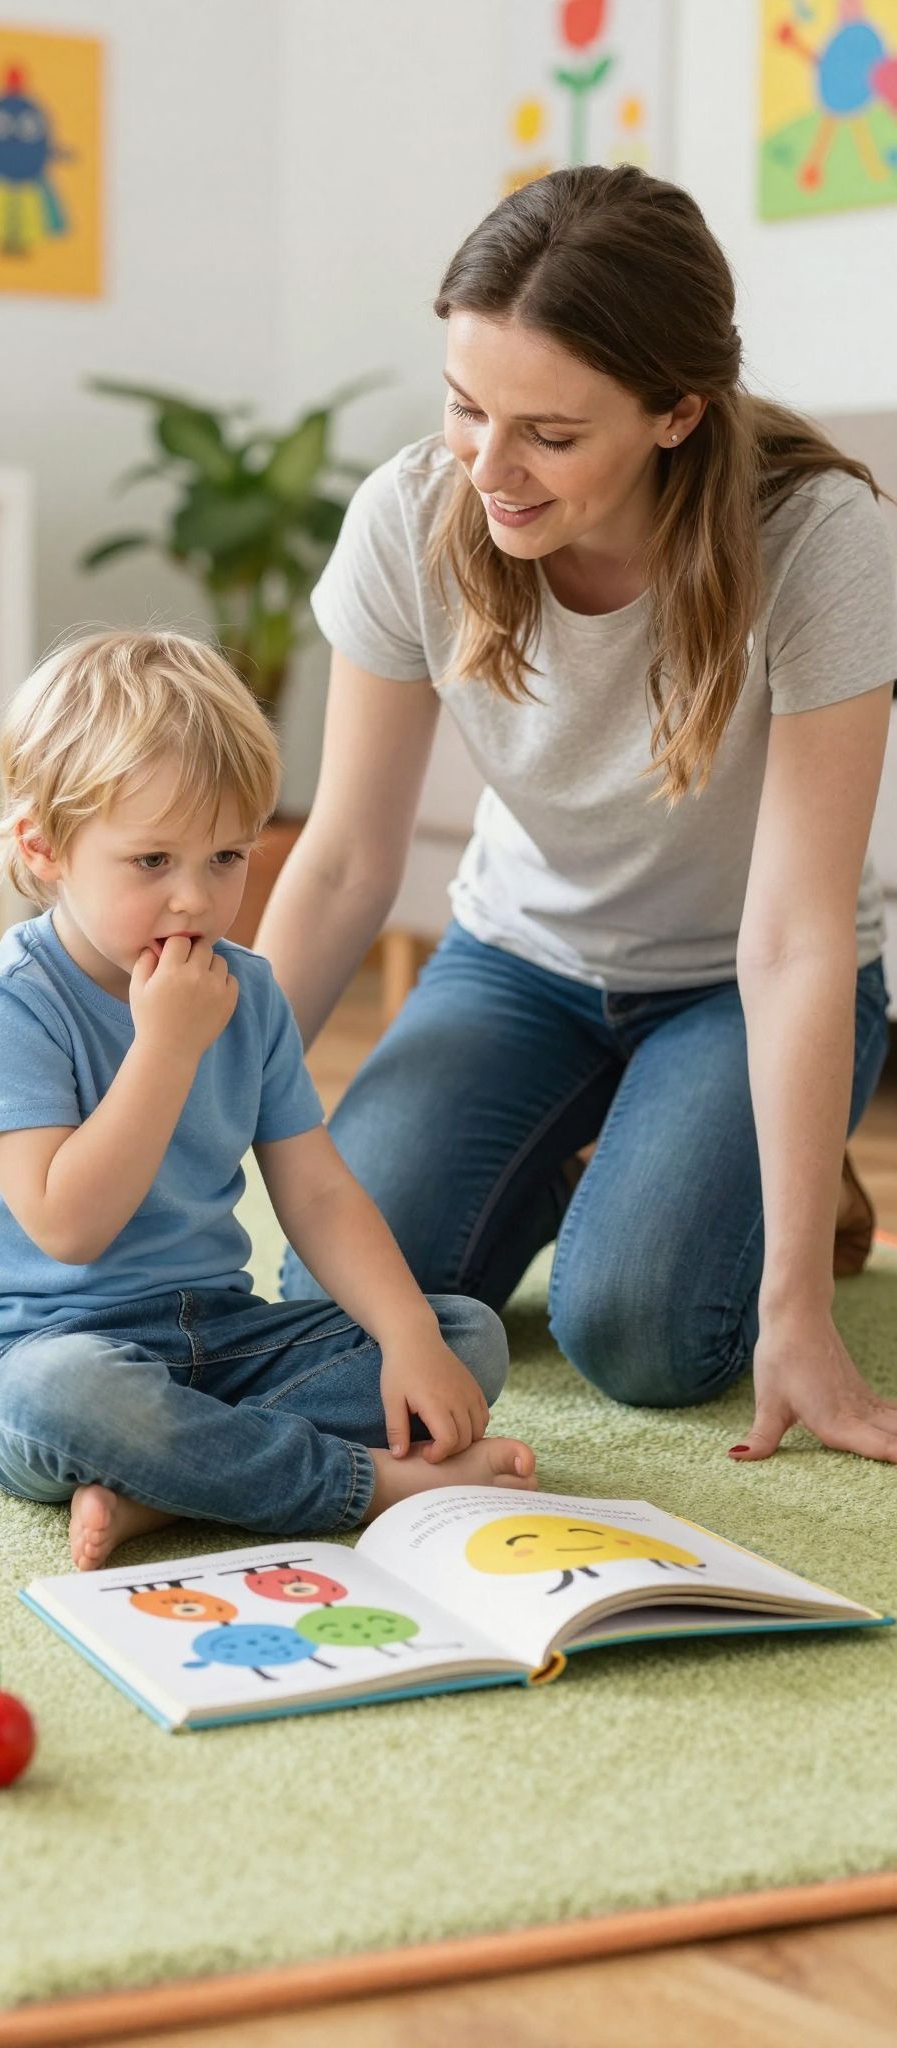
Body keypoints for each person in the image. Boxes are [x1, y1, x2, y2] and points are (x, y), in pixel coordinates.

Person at [258, 163, 897, 1466]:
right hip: (519, 963)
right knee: (333, 1303)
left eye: (549, 433)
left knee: (646, 1337)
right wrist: (195, 1108)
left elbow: (791, 934)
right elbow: (343, 865)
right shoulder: (414, 518)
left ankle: (753, 1163)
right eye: (464, 408)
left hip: (740, 980)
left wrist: (792, 1302)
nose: (490, 469)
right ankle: (606, 1150)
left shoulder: (822, 539)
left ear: (677, 413)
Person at [0, 630, 536, 1572]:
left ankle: (166, 1486)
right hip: (39, 1355)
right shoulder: (3, 1010)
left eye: (225, 858)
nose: (195, 901)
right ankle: (359, 1484)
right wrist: (165, 1048)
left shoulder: (245, 994)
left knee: (465, 1337)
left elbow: (320, 1193)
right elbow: (69, 1225)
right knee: (72, 1400)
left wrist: (408, 1336)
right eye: (152, 862)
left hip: (214, 1333)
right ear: (44, 848)